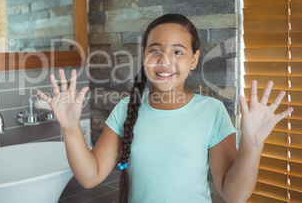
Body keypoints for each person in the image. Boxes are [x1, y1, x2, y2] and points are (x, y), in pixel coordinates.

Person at [37, 14, 293, 203]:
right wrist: (70, 128)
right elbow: (90, 176)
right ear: (145, 55)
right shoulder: (125, 110)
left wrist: (252, 144)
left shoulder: (212, 112)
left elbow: (234, 194)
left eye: (178, 52)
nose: (165, 61)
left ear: (194, 59)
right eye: (155, 50)